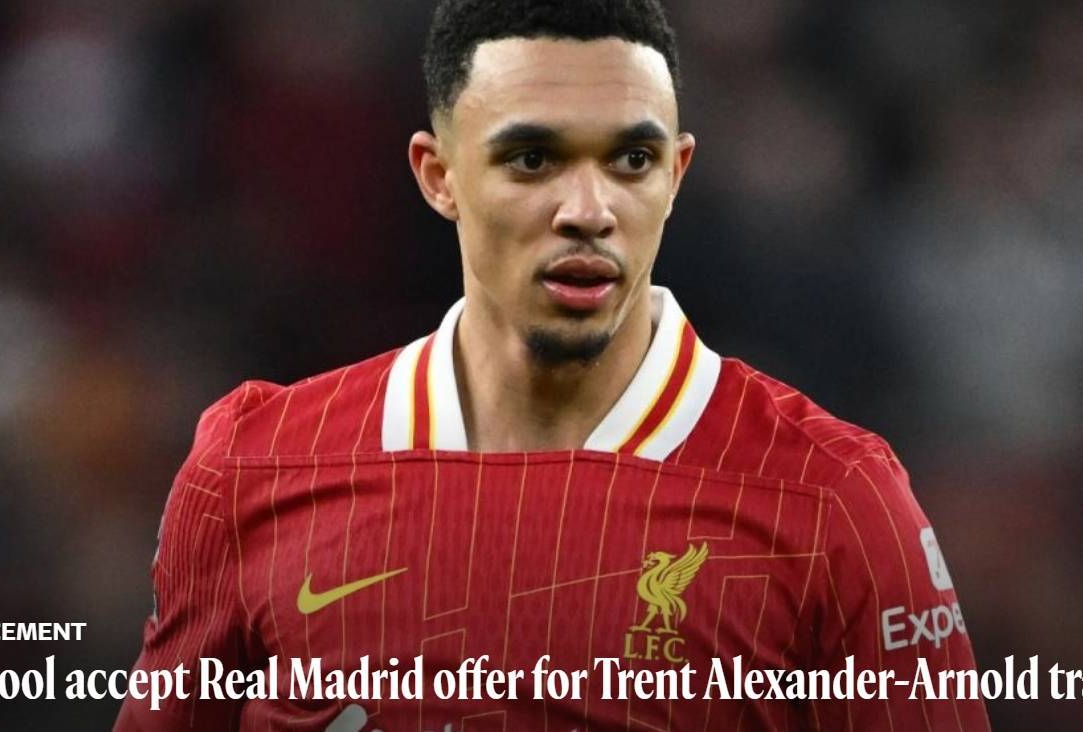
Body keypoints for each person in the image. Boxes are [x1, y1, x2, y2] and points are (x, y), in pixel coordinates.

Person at [118, 1, 989, 729]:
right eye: (532, 159)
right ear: (438, 175)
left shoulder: (833, 497)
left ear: (676, 175)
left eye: (632, 160)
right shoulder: (254, 466)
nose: (587, 209)